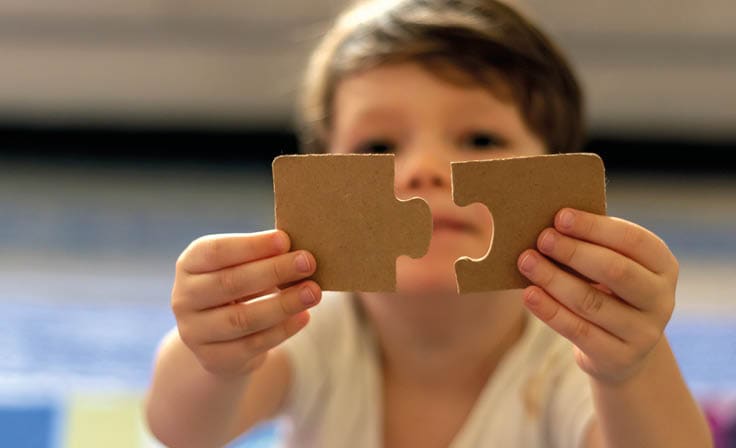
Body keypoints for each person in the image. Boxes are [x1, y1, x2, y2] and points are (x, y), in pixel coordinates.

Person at [144, 1, 714, 447]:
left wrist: (630, 366)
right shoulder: (313, 323)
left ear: (557, 173)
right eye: (377, 146)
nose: (424, 171)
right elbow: (182, 431)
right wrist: (214, 356)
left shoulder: (570, 355)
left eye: (481, 139)